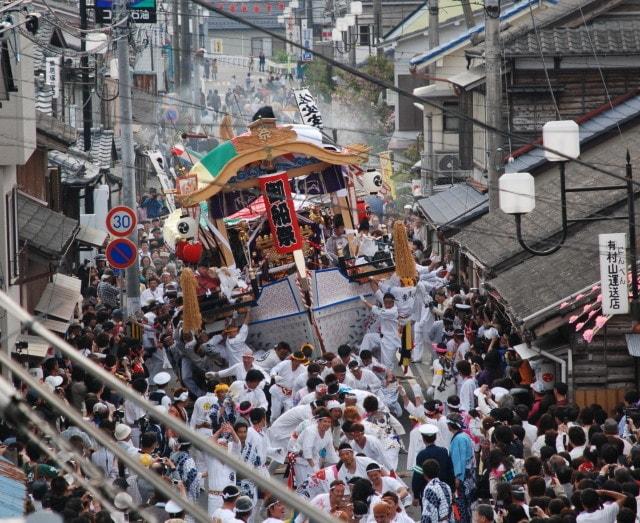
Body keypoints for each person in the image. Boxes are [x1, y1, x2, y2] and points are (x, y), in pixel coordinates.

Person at [412, 424, 455, 501]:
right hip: (444, 489)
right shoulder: (444, 451)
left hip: (427, 491)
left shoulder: (421, 455)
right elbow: (450, 472)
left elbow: (417, 475)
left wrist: (416, 495)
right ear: (435, 437)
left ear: (423, 438)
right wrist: (452, 490)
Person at [360, 293, 401, 370]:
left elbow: (376, 309)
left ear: (393, 302)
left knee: (386, 366)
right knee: (368, 337)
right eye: (386, 302)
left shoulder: (392, 312)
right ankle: (361, 361)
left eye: (390, 303)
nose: (387, 305)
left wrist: (365, 301)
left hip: (390, 341)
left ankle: (389, 378)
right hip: (382, 337)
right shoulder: (386, 308)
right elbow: (379, 293)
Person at [447, 414, 475, 523]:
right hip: (468, 473)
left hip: (462, 475)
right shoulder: (464, 435)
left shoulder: (458, 439)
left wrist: (458, 477)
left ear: (451, 425)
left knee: (461, 502)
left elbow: (459, 460)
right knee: (468, 503)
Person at [420, 459, 453, 523]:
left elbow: (427, 513)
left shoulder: (429, 489)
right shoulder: (446, 486)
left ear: (424, 474)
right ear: (438, 472)